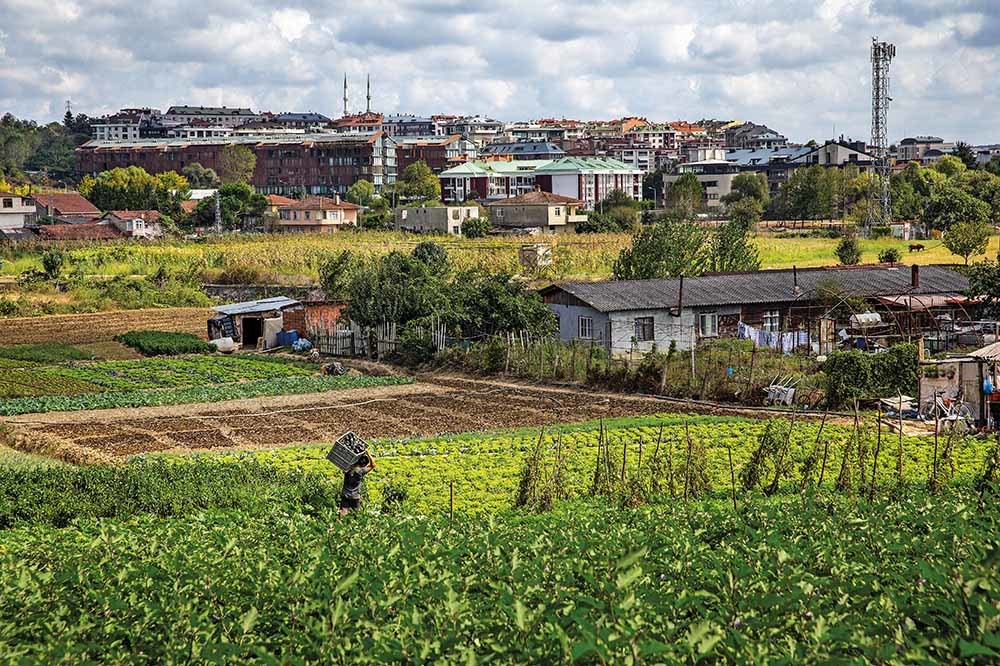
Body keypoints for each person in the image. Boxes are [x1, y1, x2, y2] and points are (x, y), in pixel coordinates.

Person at [339, 452, 374, 516]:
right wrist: (368, 453)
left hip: (345, 494)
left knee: (343, 512)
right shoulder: (361, 471)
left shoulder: (348, 468)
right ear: (363, 465)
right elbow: (373, 465)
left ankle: (339, 524)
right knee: (357, 514)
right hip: (355, 496)